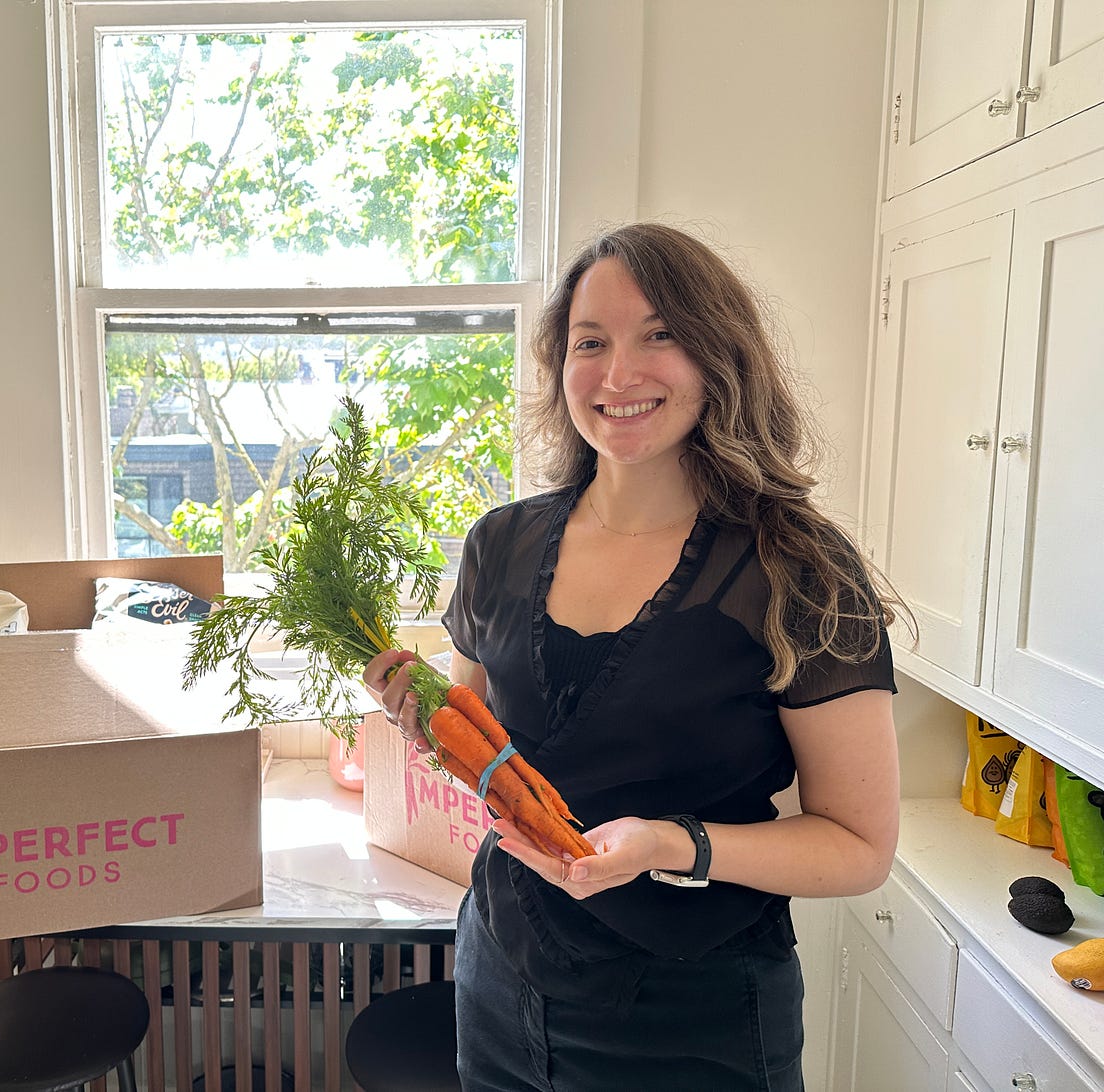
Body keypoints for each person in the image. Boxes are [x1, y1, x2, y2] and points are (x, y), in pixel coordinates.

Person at [362, 222, 906, 1091]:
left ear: (719, 356)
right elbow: (484, 749)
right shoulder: (497, 545)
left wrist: (668, 843)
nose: (619, 374)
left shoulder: (795, 570)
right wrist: (422, 720)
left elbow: (858, 845)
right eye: (590, 342)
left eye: (661, 335)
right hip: (501, 979)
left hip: (694, 1017)